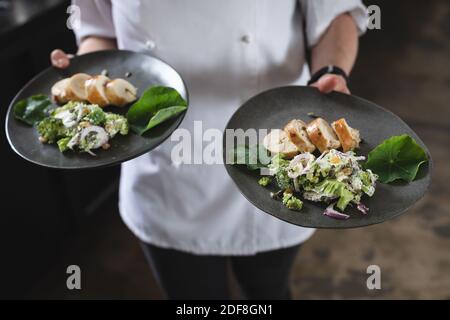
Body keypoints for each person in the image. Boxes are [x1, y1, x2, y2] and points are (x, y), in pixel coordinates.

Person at [52, 0, 367, 299]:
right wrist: (88, 78)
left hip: (274, 160)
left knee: (268, 294)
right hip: (165, 170)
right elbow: (98, 29)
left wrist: (331, 73)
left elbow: (334, 11)